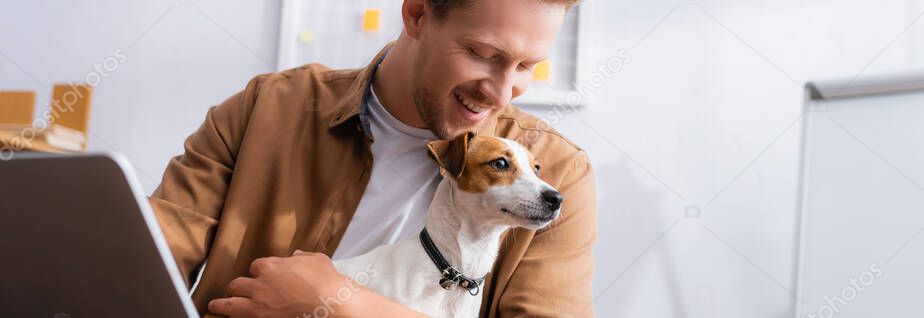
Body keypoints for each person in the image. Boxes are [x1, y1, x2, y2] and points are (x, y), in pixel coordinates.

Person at [150, 0, 595, 316]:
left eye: (525, 67)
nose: (500, 93)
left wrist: (343, 303)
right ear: (417, 13)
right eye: (483, 54)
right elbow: (143, 266)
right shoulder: (267, 108)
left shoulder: (559, 175)